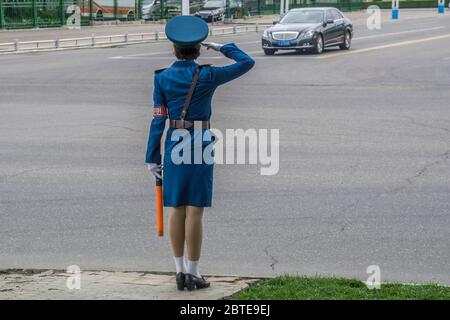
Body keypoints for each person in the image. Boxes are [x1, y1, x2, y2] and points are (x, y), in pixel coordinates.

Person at [145, 16, 255, 291]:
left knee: (175, 210)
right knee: (195, 211)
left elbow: (158, 120)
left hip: (173, 144)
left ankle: (179, 271)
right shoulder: (207, 75)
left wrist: (151, 157)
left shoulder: (162, 78)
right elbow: (246, 62)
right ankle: (194, 273)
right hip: (200, 143)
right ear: (197, 49)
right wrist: (219, 46)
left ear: (174, 48)